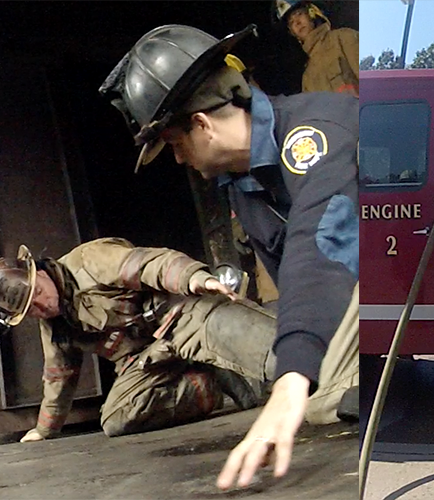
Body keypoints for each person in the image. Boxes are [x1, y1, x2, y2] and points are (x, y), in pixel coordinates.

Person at [98, 24, 359, 489]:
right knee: (311, 379)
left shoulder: (315, 131)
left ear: (201, 123)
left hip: (385, 279)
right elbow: (285, 274)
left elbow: (318, 245)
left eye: (175, 144)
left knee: (314, 392)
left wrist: (292, 379)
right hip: (341, 297)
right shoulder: (241, 185)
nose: (178, 160)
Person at [0, 239, 274, 440]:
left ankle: (306, 371)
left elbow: (148, 264)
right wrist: (44, 431)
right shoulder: (54, 326)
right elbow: (59, 378)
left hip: (177, 318)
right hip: (151, 358)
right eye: (30, 310)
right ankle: (213, 385)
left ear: (39, 272)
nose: (41, 308)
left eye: (37, 295)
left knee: (260, 345)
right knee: (117, 418)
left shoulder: (88, 261)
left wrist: (193, 278)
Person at [276, 0, 359, 95]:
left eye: (299, 14)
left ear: (313, 13)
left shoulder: (342, 38)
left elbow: (368, 80)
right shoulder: (307, 77)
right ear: (292, 33)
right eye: (291, 22)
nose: (297, 23)